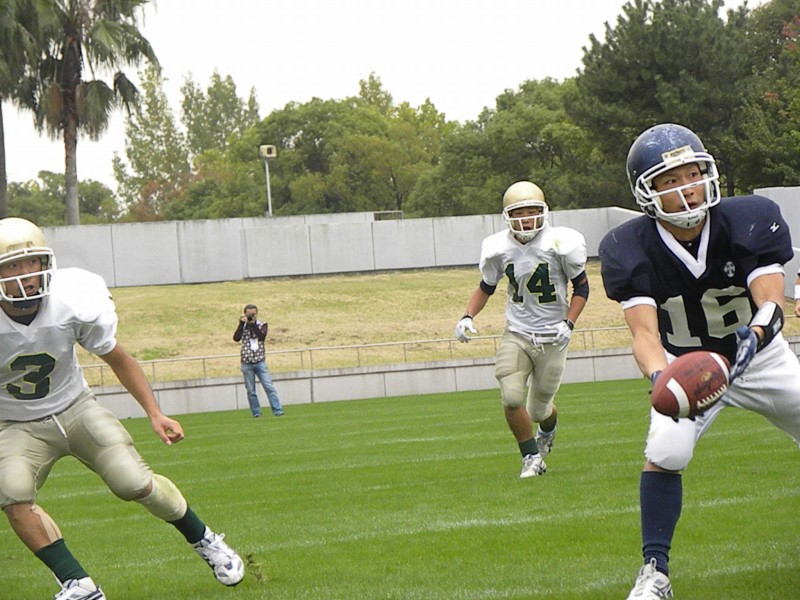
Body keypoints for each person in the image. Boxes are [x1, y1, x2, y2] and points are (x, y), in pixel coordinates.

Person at [599, 123, 800, 599]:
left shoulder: (749, 218)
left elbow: (771, 300)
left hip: (758, 356)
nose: (687, 188)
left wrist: (755, 335)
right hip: (686, 364)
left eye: (692, 174)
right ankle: (655, 572)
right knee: (666, 451)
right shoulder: (627, 246)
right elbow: (644, 334)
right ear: (647, 193)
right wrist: (662, 376)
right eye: (670, 180)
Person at [0, 217, 244, 600]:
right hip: (16, 423)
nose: (26, 275)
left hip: (75, 408)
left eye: (32, 262)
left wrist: (155, 413)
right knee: (12, 493)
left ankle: (205, 539)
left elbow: (118, 358)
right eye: (13, 265)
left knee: (132, 482)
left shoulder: (70, 300)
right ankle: (78, 584)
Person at [454, 181, 589, 478]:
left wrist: (568, 323)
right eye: (519, 213)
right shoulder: (498, 247)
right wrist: (467, 316)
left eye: (532, 211)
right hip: (517, 332)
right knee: (512, 398)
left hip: (553, 336)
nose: (526, 219)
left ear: (543, 212)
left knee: (540, 411)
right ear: (508, 216)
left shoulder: (560, 243)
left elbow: (582, 288)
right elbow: (486, 286)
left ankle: (547, 430)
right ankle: (531, 457)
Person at [233, 304, 285, 417]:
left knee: (269, 387)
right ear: (245, 314)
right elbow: (236, 338)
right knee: (251, 391)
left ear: (256, 314)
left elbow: (261, 336)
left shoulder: (262, 324)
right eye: (249, 314)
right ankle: (256, 413)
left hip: (260, 361)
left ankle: (278, 410)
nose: (251, 316)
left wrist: (253, 324)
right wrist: (241, 324)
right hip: (246, 362)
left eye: (253, 314)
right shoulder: (243, 326)